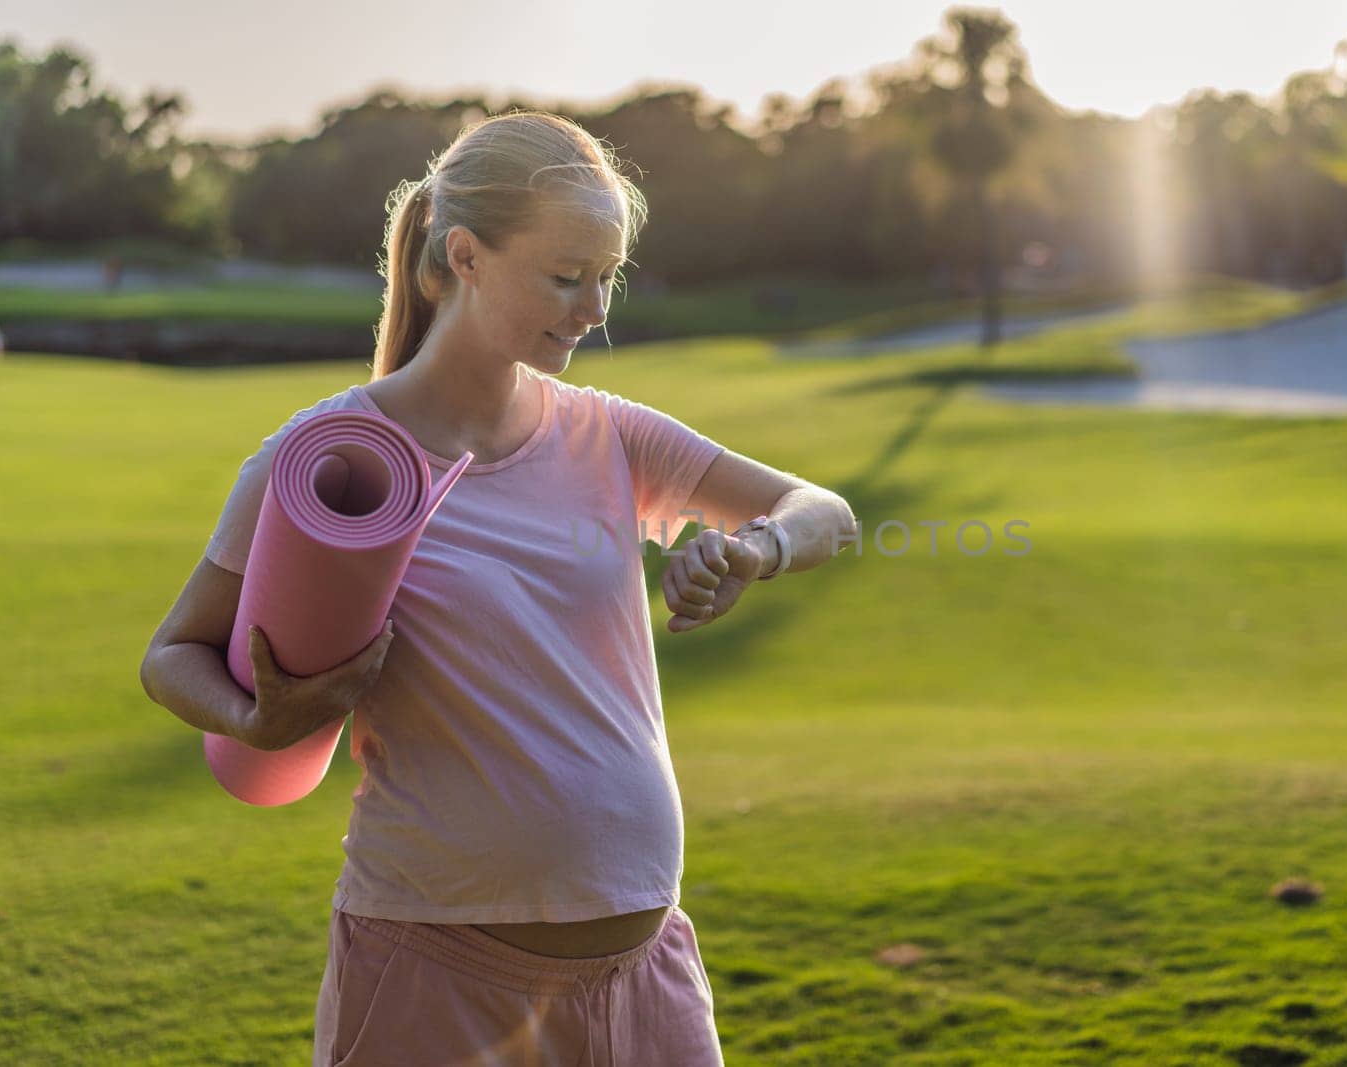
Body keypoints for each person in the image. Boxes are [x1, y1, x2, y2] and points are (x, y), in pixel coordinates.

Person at [139, 109, 858, 1066]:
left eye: (608, 276)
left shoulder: (612, 434)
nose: (596, 307)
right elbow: (170, 655)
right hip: (436, 975)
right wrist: (256, 721)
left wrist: (754, 551)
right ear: (466, 256)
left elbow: (828, 512)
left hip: (644, 972)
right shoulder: (328, 459)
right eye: (567, 276)